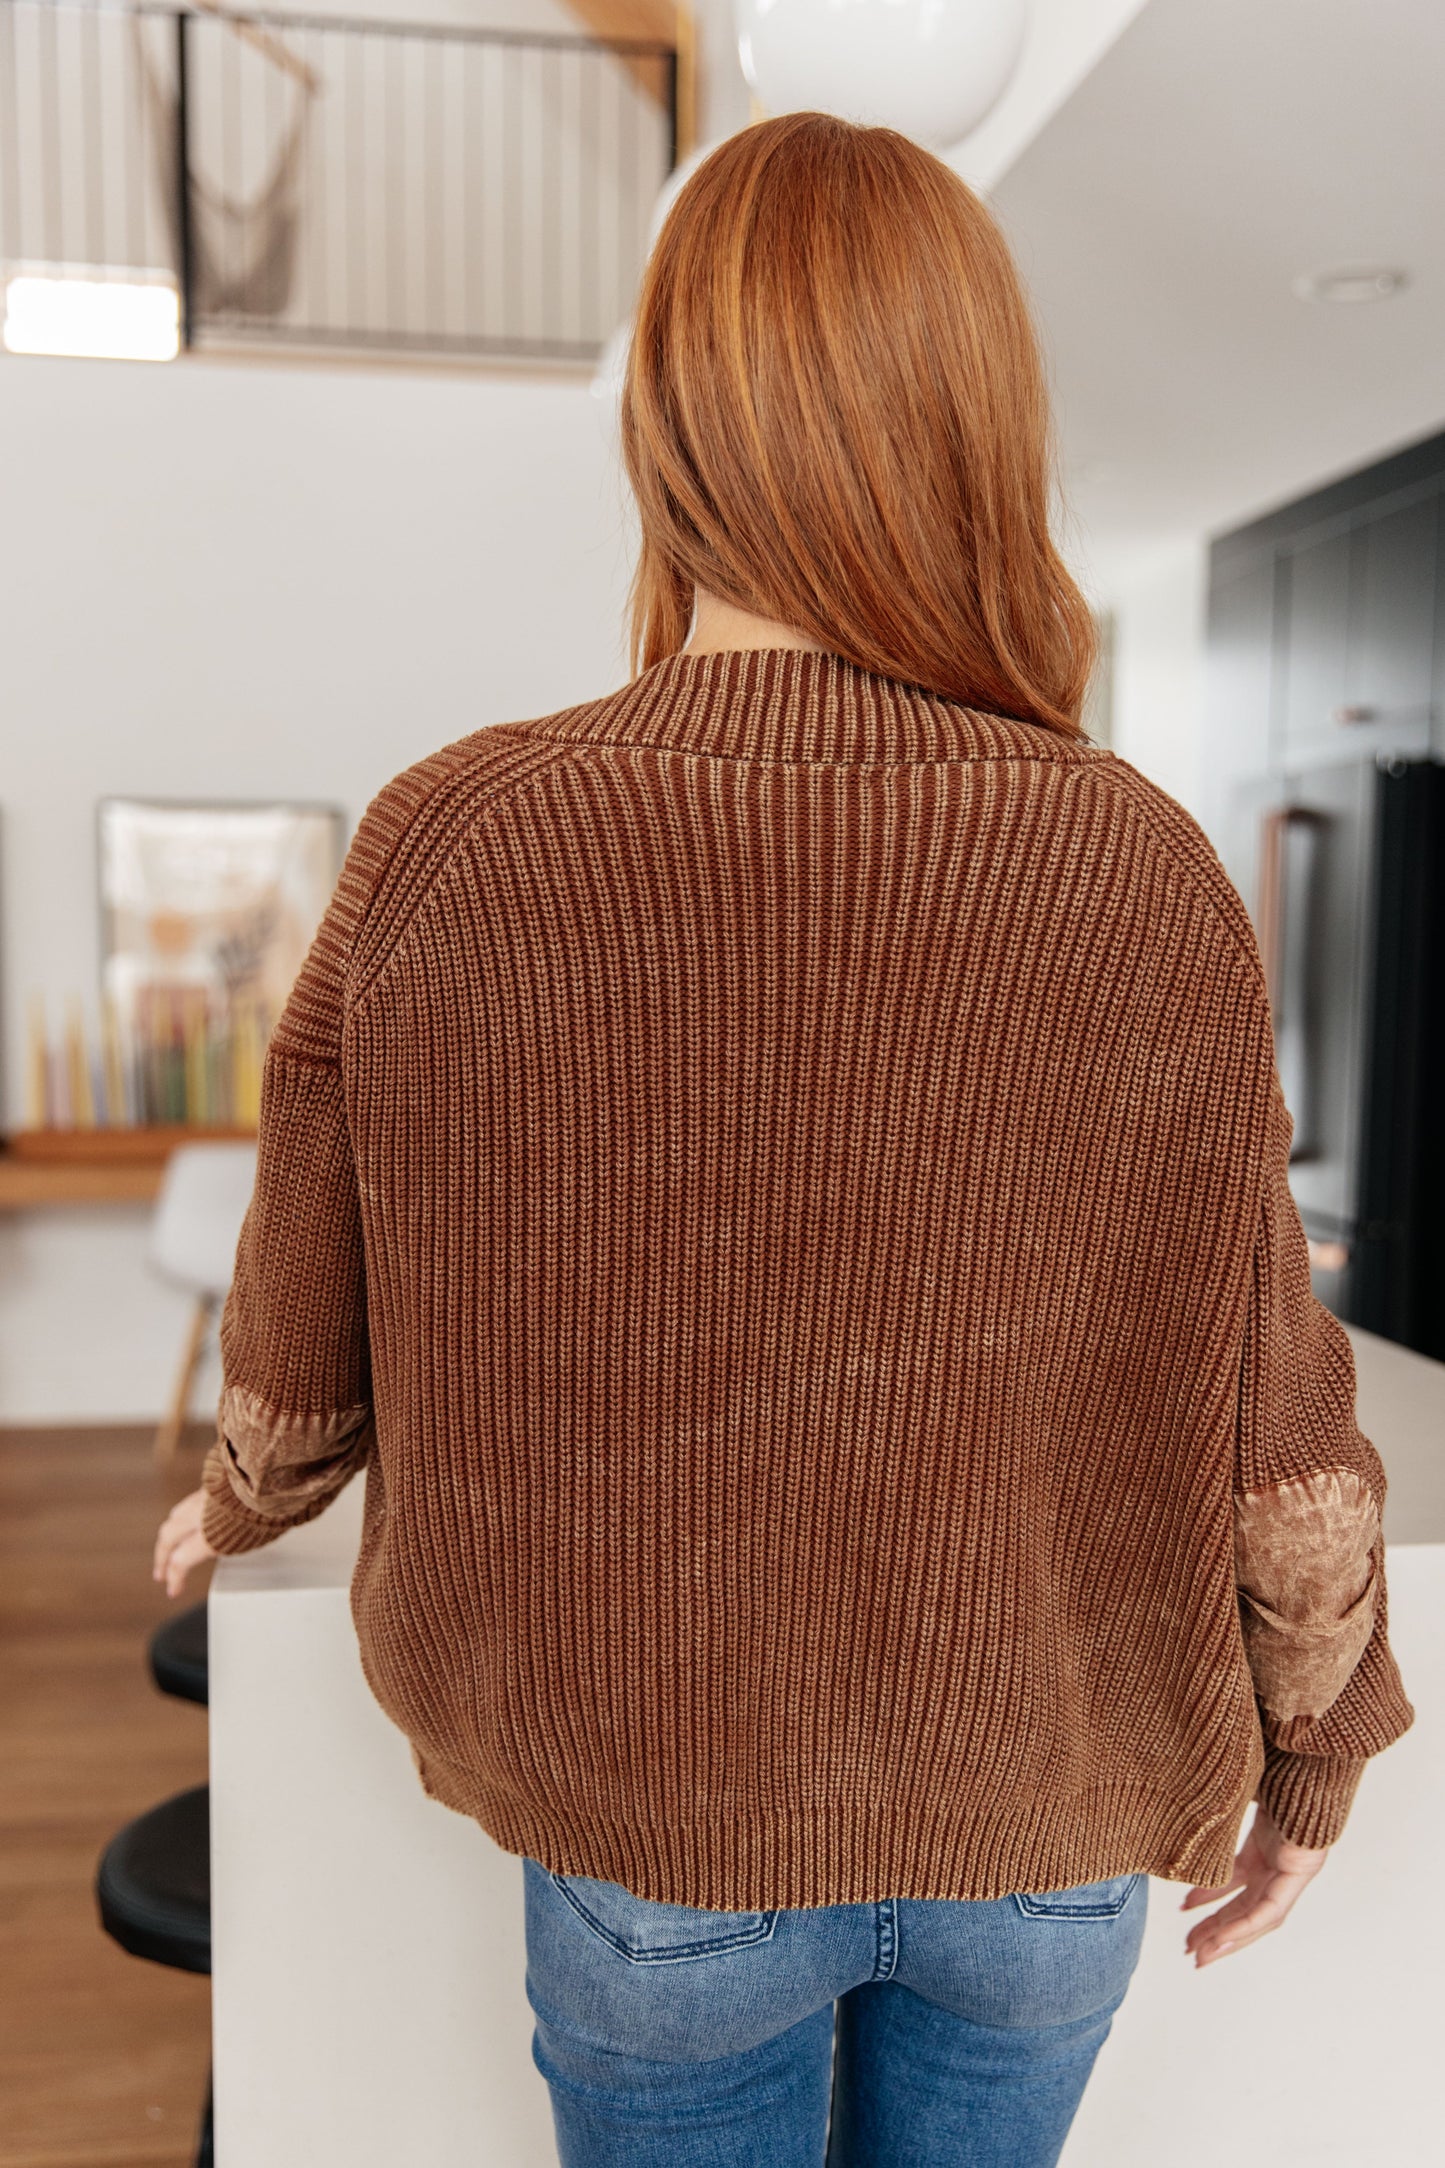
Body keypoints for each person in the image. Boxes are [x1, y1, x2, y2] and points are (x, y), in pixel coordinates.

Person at [154, 112, 1415, 2167]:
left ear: (666, 431)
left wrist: (244, 1490)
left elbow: (313, 1290)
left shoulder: (454, 835)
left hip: (667, 1825)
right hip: (1047, 1832)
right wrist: (1316, 1744)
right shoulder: (1144, 864)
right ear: (975, 433)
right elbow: (1276, 1413)